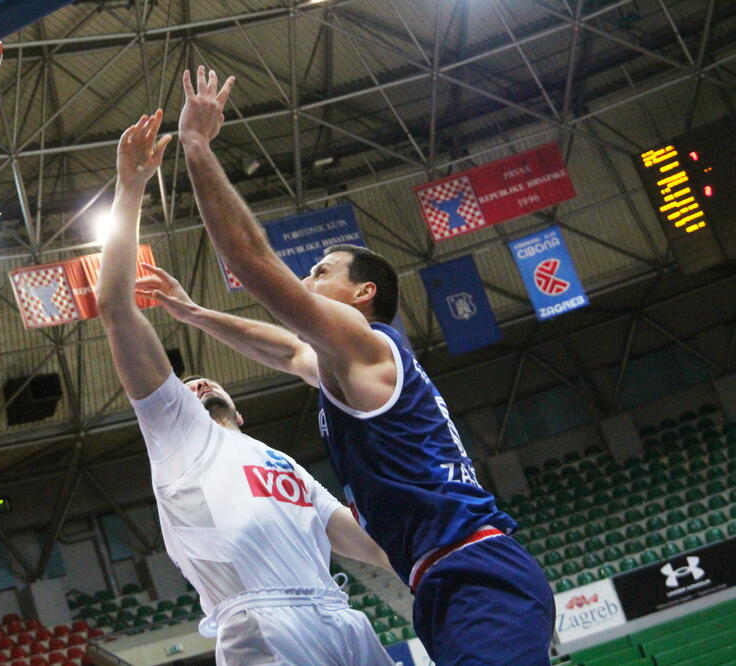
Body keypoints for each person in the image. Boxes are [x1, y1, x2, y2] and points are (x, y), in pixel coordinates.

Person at [136, 66, 556, 665]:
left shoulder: (366, 341)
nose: (308, 280)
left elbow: (254, 264)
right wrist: (195, 313)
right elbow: (283, 349)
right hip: (444, 576)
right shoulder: (350, 367)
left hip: (475, 568)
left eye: (321, 273)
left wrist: (197, 146)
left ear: (364, 295)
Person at [95, 109, 395, 666]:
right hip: (261, 621)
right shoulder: (177, 433)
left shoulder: (281, 464)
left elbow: (373, 546)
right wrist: (131, 186)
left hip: (343, 618)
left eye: (204, 382)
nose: (197, 384)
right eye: (185, 387)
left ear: (242, 410)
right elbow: (114, 307)